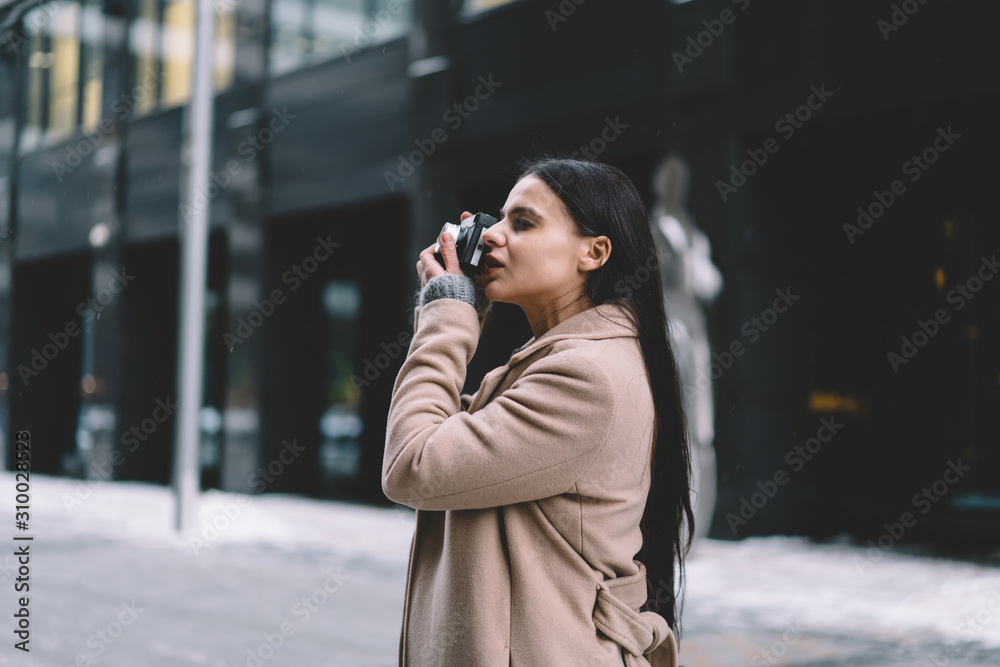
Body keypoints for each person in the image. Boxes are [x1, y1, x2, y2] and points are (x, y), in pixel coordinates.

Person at [383, 156, 695, 667]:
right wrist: (458, 306)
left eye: (523, 223)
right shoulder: (564, 359)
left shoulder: (585, 376)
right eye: (499, 219)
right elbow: (439, 435)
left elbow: (413, 465)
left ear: (593, 253)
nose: (492, 236)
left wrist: (445, 317)